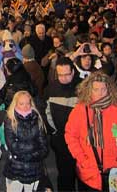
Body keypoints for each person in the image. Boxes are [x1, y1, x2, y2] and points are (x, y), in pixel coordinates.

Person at [65, 71, 117, 191]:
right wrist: (82, 159)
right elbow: (71, 136)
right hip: (88, 173)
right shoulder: (80, 109)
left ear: (109, 89)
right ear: (89, 90)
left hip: (115, 173)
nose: (100, 93)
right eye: (96, 89)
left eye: (103, 89)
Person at [44, 57, 80, 192]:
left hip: (81, 140)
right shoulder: (50, 89)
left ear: (73, 72)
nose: (63, 78)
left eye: (67, 74)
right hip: (61, 140)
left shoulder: (82, 88)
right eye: (60, 75)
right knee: (65, 175)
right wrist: (53, 132)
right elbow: (45, 112)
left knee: (83, 175)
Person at [4, 91, 50, 192]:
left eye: (27, 103)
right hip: (16, 168)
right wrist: (34, 147)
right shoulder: (10, 119)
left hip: (35, 169)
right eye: (21, 103)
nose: (25, 106)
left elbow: (44, 147)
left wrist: (31, 156)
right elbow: (12, 146)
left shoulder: (37, 118)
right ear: (15, 104)